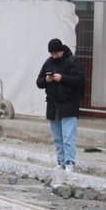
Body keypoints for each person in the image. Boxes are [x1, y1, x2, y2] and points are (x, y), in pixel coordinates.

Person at [36, 38, 85, 172]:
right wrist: (47, 79)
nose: (54, 56)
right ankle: (61, 162)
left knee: (68, 136)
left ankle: (70, 162)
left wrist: (62, 78)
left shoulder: (72, 61)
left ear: (62, 51)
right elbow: (39, 82)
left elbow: (80, 80)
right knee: (57, 137)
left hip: (69, 104)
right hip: (53, 105)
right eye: (51, 54)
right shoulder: (48, 63)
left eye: (56, 53)